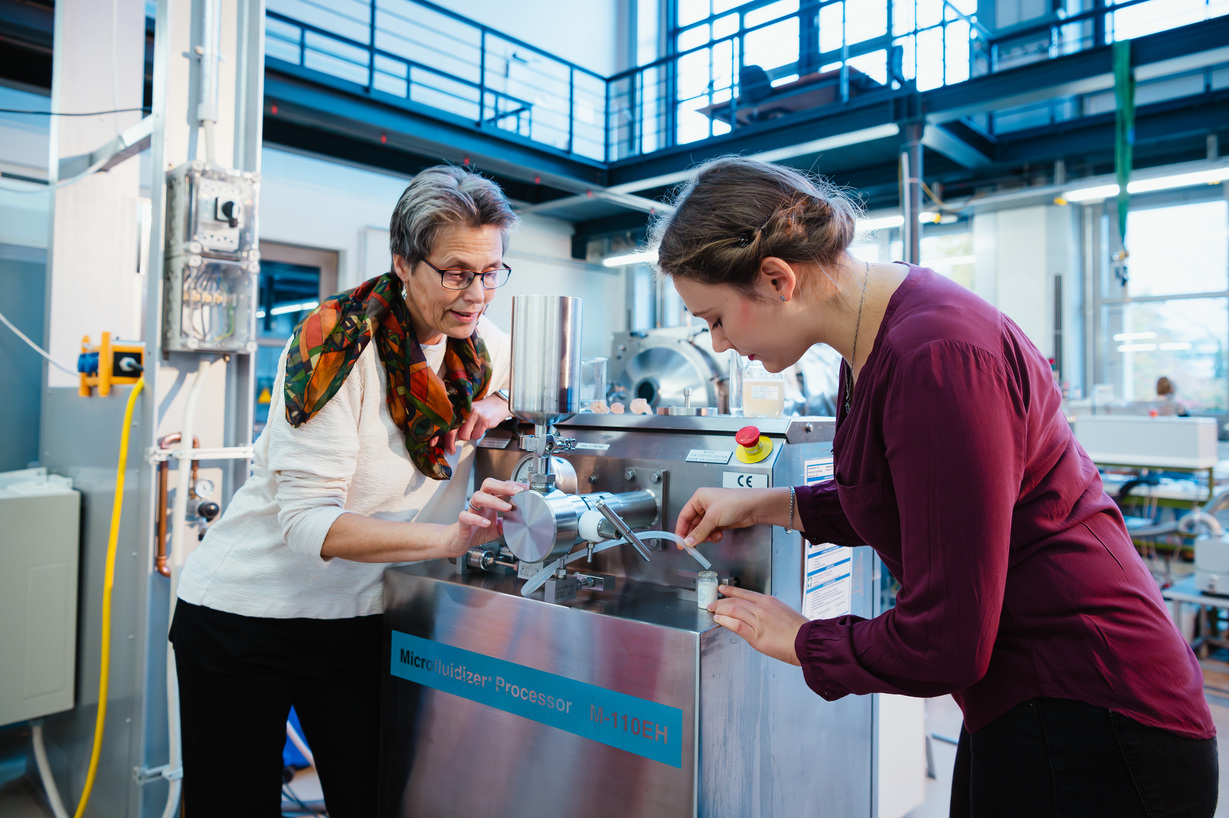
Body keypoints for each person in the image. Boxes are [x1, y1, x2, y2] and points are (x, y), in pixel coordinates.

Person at [654, 157, 1217, 817]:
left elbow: (943, 642)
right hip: (1021, 693)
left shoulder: (936, 356)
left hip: (1093, 708)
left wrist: (803, 641)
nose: (717, 344)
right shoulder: (875, 334)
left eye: (716, 318)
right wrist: (772, 505)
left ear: (778, 279)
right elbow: (918, 499)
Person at [170, 165, 523, 816]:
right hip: (247, 618)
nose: (476, 294)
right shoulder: (335, 343)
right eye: (455, 272)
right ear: (403, 262)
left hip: (361, 614)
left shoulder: (486, 346)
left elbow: (517, 397)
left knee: (378, 799)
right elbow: (307, 525)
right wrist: (446, 539)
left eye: (490, 272)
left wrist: (501, 401)